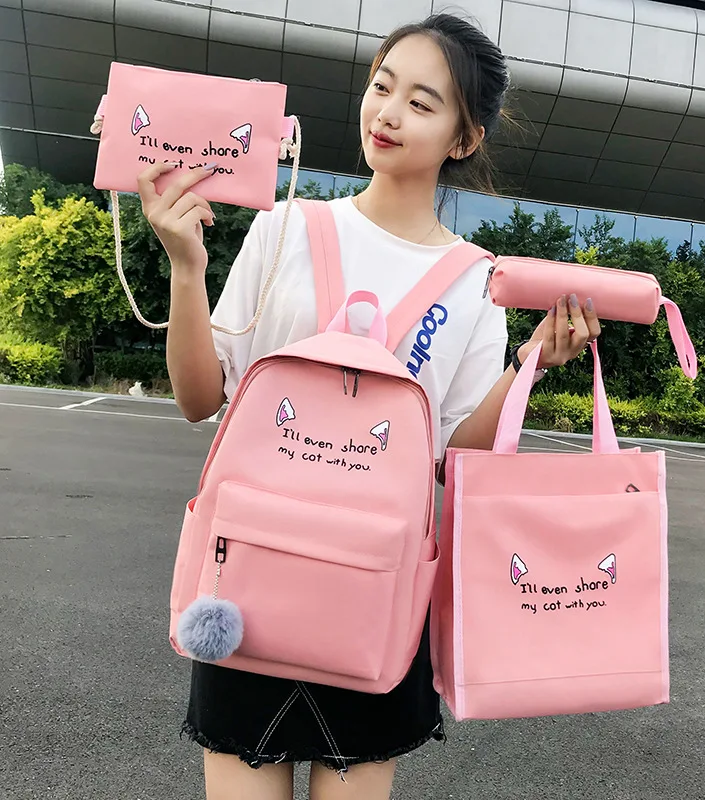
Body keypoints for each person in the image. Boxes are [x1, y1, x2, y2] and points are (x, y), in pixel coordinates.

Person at [137, 12, 600, 800]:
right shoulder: (286, 226)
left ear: (465, 138)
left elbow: (453, 458)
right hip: (251, 584)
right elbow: (198, 398)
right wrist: (187, 268)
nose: (387, 113)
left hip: (378, 597)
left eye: (421, 103)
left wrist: (531, 363)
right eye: (382, 87)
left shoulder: (476, 281)